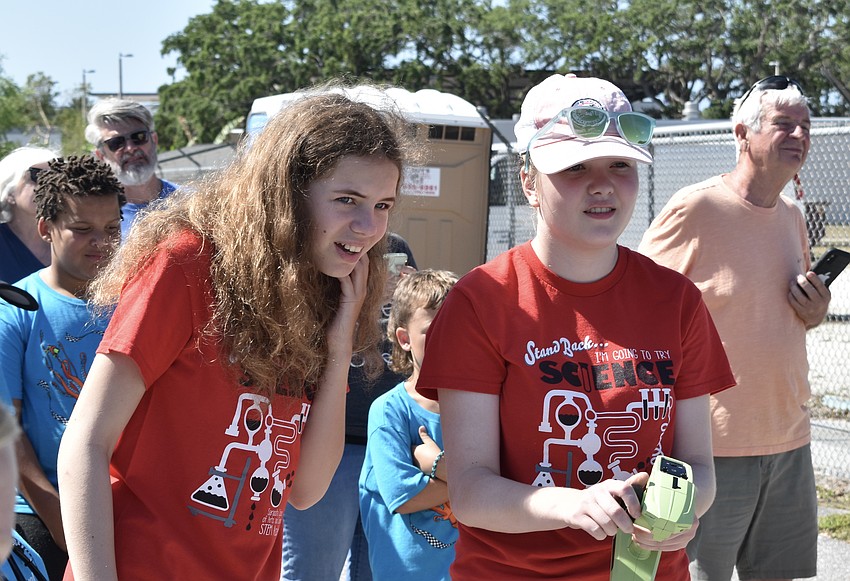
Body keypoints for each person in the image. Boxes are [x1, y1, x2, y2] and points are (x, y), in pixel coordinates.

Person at [57, 88, 414, 581]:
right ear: (287, 193)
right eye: (347, 200)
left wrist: (338, 345)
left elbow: (307, 489)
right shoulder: (186, 263)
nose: (368, 226)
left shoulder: (317, 291)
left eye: (383, 205)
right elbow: (85, 443)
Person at [415, 73, 736, 580]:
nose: (602, 184)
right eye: (574, 167)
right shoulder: (481, 301)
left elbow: (698, 466)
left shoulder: (677, 301)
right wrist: (573, 505)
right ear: (528, 183)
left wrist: (683, 513)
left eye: (619, 165)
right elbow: (472, 492)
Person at [638, 75, 828, 581]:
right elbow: (634, 307)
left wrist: (813, 311)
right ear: (743, 132)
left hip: (788, 438)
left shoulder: (791, 216)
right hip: (708, 450)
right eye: (784, 125)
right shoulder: (695, 207)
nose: (799, 136)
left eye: (806, 127)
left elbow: (779, 316)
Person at [0, 156, 125, 581]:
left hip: (124, 505)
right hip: (40, 509)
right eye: (82, 230)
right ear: (45, 228)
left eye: (111, 229)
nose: (101, 243)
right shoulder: (14, 308)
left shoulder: (136, 302)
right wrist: (59, 520)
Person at [281, 233, 417, 581]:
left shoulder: (395, 248)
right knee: (312, 571)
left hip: (387, 443)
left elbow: (411, 333)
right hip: (325, 443)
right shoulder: (317, 248)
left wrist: (408, 300)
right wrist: (359, 301)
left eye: (382, 205)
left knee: (378, 571)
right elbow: (299, 334)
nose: (366, 221)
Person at [358, 269, 458, 581]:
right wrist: (473, 484)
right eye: (433, 329)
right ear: (404, 339)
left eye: (457, 327)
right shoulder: (389, 410)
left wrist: (436, 465)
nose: (447, 338)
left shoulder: (482, 411)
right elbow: (404, 496)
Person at [84, 98, 177, 238]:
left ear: (154, 140)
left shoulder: (191, 202)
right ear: (101, 155)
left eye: (139, 137)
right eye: (116, 143)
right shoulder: (93, 218)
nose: (130, 148)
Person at [0, 147, 59, 282]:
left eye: (56, 177)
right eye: (38, 176)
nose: (50, 185)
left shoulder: (71, 239)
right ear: (10, 193)